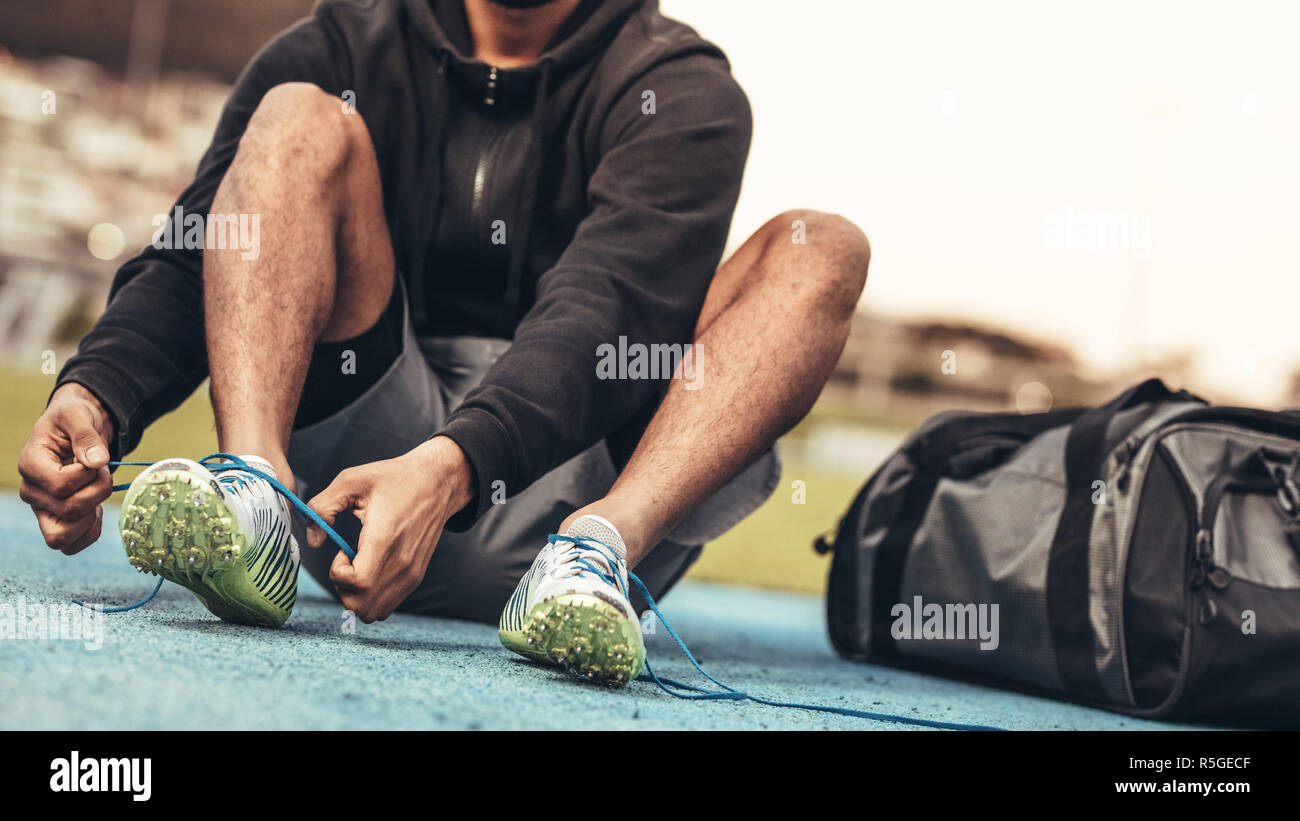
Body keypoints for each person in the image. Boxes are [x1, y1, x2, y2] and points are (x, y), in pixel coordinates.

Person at [17, 0, 869, 687]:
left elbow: (612, 309)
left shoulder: (682, 90)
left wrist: (455, 464)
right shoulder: (337, 43)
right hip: (358, 477)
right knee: (295, 118)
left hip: (590, 476)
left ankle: (593, 556)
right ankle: (255, 497)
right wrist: (98, 393)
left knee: (821, 247)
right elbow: (200, 246)